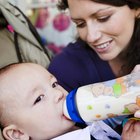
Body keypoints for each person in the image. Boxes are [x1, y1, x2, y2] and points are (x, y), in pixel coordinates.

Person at [48, 0, 140, 136]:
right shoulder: (65, 70)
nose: (91, 37)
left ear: (136, 8)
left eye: (103, 18)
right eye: (80, 24)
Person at [0, 63, 122, 140]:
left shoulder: (81, 120)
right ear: (17, 134)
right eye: (39, 98)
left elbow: (106, 122)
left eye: (54, 84)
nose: (58, 94)